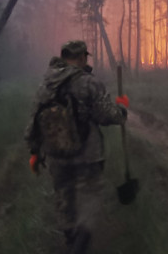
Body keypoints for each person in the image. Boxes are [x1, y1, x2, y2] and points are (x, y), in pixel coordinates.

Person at [25, 40, 129, 253]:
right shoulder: (88, 83)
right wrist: (122, 110)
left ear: (64, 57)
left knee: (65, 201)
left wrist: (35, 152)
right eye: (85, 57)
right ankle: (79, 247)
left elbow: (34, 120)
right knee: (90, 203)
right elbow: (105, 115)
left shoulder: (46, 84)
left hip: (56, 156)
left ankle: (71, 241)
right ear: (82, 57)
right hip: (88, 156)